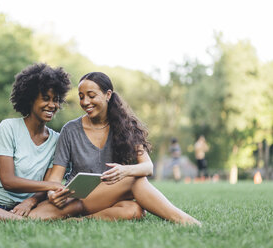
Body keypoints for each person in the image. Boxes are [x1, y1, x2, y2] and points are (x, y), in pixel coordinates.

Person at [28, 72, 201, 225]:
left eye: (91, 95)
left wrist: (124, 171)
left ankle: (82, 220)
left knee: (134, 210)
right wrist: (52, 193)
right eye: (81, 96)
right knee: (134, 180)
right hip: (79, 197)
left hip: (111, 197)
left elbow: (148, 167)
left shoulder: (125, 126)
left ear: (107, 94)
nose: (85, 102)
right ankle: (185, 221)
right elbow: (56, 178)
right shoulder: (70, 130)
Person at [0, 63, 78, 220]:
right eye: (45, 99)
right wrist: (53, 185)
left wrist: (30, 201)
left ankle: (5, 217)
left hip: (24, 205)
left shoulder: (56, 140)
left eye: (56, 100)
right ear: (30, 100)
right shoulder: (8, 127)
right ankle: (16, 220)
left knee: (67, 204)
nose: (52, 105)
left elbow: (45, 184)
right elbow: (8, 181)